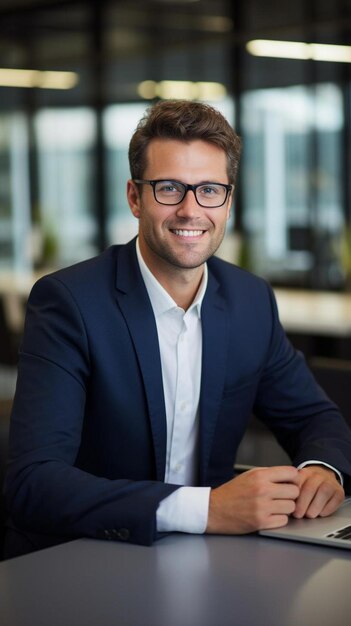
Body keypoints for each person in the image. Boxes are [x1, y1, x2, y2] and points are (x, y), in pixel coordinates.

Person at [4, 99, 351, 558]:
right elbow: (34, 482)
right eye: (169, 188)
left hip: (209, 559)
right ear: (134, 196)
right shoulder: (70, 303)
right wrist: (207, 509)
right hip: (82, 555)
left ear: (228, 200)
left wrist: (322, 470)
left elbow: (315, 417)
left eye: (210, 189)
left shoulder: (250, 301)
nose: (191, 210)